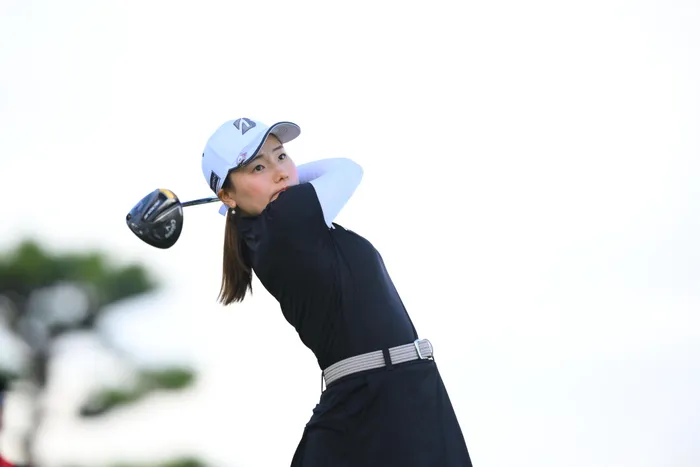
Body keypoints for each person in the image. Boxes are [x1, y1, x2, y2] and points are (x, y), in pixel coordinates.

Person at [201, 117, 473, 466]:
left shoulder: (273, 230)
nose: (280, 172)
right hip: (377, 403)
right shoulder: (285, 222)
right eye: (258, 167)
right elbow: (346, 169)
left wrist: (249, 189)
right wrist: (285, 182)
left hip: (392, 394)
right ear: (227, 194)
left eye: (281, 156)